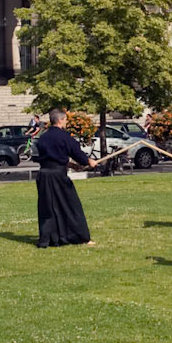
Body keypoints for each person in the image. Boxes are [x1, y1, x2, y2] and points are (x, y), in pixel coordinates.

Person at [32, 106, 98, 247]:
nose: (66, 122)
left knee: (47, 208)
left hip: (43, 175)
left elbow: (51, 158)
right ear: (60, 120)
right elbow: (77, 154)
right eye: (65, 120)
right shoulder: (64, 137)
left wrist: (72, 165)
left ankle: (48, 239)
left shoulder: (42, 138)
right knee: (71, 206)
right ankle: (81, 237)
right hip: (58, 177)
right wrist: (88, 161)